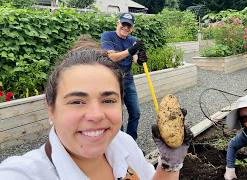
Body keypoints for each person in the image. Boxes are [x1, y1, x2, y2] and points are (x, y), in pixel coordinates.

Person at [0, 46, 191, 179]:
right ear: (51, 109)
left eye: (108, 100)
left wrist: (169, 164)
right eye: (77, 101)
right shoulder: (22, 174)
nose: (96, 115)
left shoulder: (124, 144)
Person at [101, 13, 147, 140]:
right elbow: (112, 57)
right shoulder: (107, 36)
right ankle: (118, 144)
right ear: (118, 23)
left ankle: (131, 142)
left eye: (129, 26)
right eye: (124, 24)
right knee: (117, 116)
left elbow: (135, 58)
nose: (126, 27)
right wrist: (130, 50)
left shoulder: (132, 40)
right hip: (112, 81)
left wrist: (140, 60)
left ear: (132, 28)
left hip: (128, 80)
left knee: (135, 112)